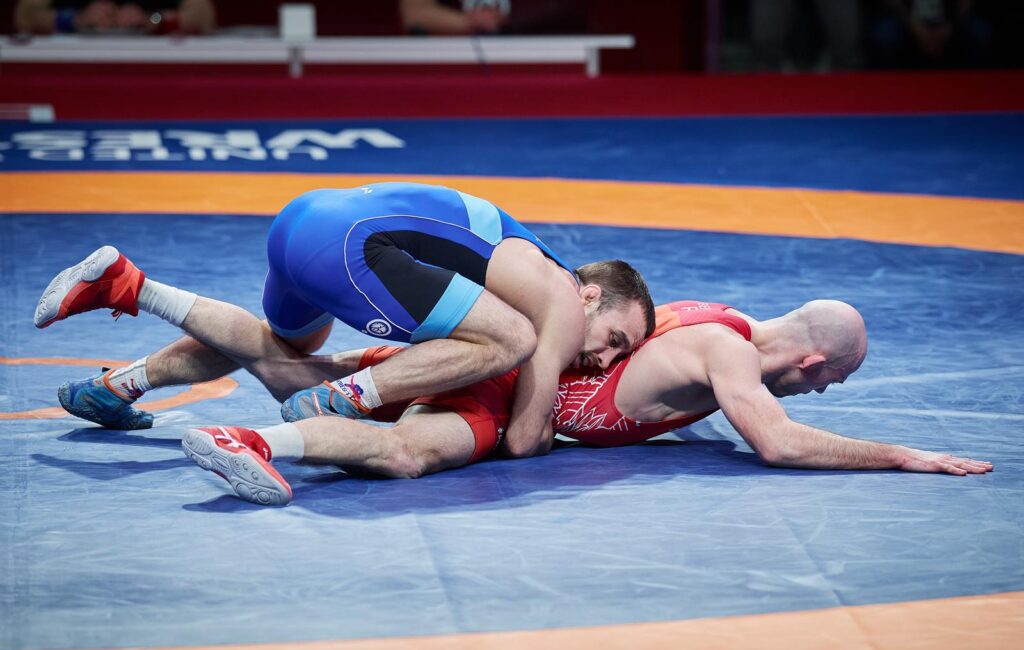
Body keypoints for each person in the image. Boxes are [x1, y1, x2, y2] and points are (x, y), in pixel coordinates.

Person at [35, 182, 655, 462]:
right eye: (615, 340)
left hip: (305, 221)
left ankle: (125, 348)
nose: (603, 360)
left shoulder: (526, 263)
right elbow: (523, 439)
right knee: (512, 339)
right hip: (351, 244)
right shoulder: (560, 301)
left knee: (279, 349)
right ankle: (342, 399)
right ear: (590, 293)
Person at [178, 298, 990, 505]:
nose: (816, 392)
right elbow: (778, 443)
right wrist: (898, 454)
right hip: (502, 390)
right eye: (825, 383)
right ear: (811, 360)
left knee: (296, 369)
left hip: (500, 365)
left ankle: (136, 297)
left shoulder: (710, 317)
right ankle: (252, 441)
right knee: (404, 452)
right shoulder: (730, 354)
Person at [14, 0, 216, 35]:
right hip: (73, 63)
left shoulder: (152, 18)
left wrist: (153, 20)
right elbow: (24, 15)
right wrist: (75, 19)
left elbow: (204, 16)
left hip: (150, 64)